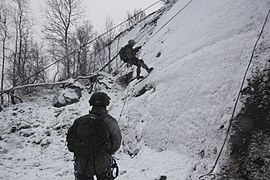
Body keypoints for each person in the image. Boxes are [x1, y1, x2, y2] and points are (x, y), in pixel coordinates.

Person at [67, 92, 122, 180]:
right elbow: (116, 145)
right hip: (103, 165)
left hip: (82, 166)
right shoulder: (110, 122)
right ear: (106, 104)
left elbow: (71, 145)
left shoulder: (79, 121)